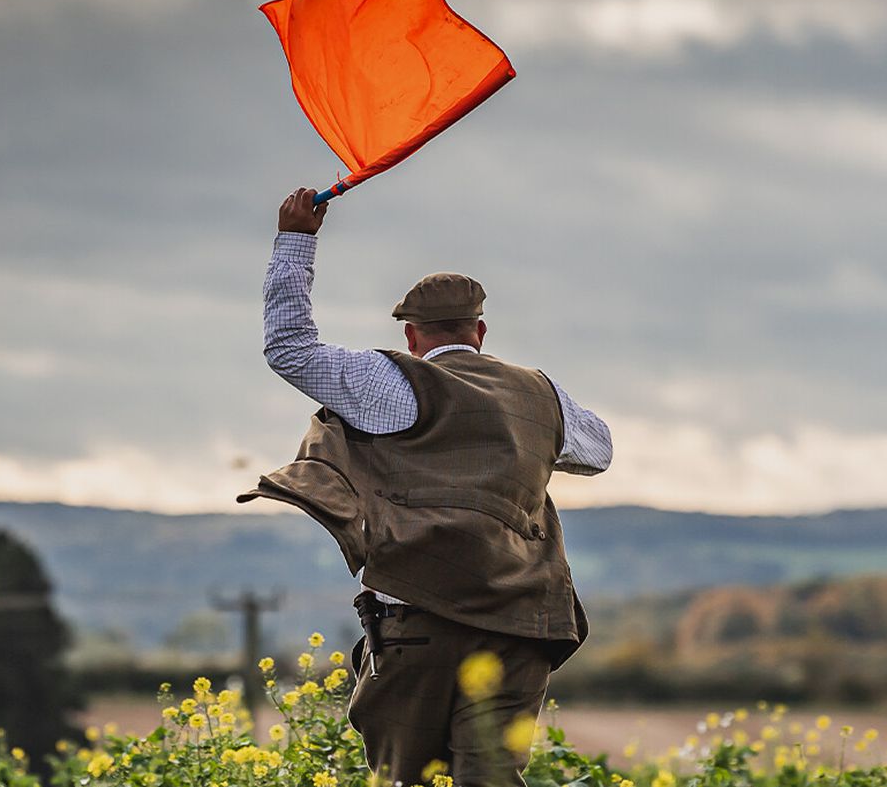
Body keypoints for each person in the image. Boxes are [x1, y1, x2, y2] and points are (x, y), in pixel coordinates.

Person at [239, 187, 613, 787]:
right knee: (490, 779)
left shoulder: (389, 380)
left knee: (403, 778)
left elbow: (289, 349)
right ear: (481, 331)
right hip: (518, 622)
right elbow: (597, 451)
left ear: (412, 336)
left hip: (418, 618)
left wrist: (295, 241)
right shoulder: (539, 393)